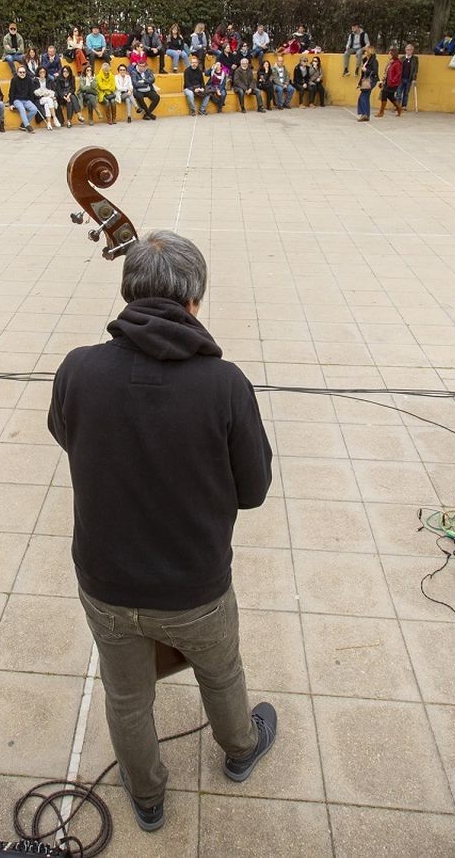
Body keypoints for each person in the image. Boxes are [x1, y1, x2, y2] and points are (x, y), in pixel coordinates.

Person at [48, 230, 278, 833]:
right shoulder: (224, 384)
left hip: (106, 582)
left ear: (127, 294)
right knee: (221, 672)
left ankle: (147, 795)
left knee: (127, 695)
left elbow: (66, 435)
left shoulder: (77, 368)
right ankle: (239, 749)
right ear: (194, 301)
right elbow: (252, 492)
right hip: (194, 585)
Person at [8, 64, 39, 133]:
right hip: (17, 100)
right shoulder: (14, 80)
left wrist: (32, 101)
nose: (22, 73)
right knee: (22, 109)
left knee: (34, 109)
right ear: (17, 72)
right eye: (20, 72)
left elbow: (31, 91)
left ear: (26, 72)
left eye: (23, 72)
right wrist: (11, 104)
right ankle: (28, 126)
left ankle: (23, 125)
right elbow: (11, 92)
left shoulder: (29, 79)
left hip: (26, 99)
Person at [354, 45, 378, 122]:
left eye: (366, 51)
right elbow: (362, 74)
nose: (364, 52)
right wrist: (359, 83)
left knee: (363, 97)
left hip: (371, 81)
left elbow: (375, 72)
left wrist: (366, 70)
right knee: (365, 97)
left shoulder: (374, 61)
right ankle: (366, 115)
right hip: (365, 81)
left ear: (369, 52)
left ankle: (364, 114)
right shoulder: (365, 60)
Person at [377, 48, 403, 117]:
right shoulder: (391, 62)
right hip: (387, 82)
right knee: (390, 96)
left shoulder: (397, 63)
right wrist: (382, 81)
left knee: (384, 95)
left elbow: (398, 74)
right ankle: (399, 108)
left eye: (389, 53)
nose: (388, 55)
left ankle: (381, 112)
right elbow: (386, 73)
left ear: (393, 54)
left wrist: (392, 81)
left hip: (392, 83)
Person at [398, 44, 418, 113]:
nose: (408, 51)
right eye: (407, 49)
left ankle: (404, 106)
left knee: (406, 93)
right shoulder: (402, 58)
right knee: (399, 92)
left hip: (409, 79)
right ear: (405, 50)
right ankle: (397, 106)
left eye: (410, 50)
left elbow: (415, 70)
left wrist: (414, 79)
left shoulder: (415, 59)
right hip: (401, 78)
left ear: (412, 51)